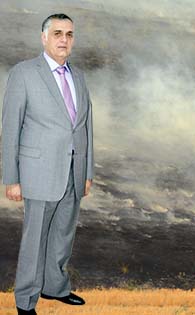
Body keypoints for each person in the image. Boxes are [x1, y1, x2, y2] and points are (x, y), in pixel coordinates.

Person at [2, 13, 94, 315]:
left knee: (63, 235)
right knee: (35, 240)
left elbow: (85, 127)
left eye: (69, 34)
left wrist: (87, 172)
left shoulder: (78, 76)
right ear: (44, 37)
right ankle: (25, 300)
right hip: (38, 173)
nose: (63, 39)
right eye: (57, 33)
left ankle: (55, 287)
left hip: (73, 171)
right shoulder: (24, 73)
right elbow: (10, 128)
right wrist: (11, 178)